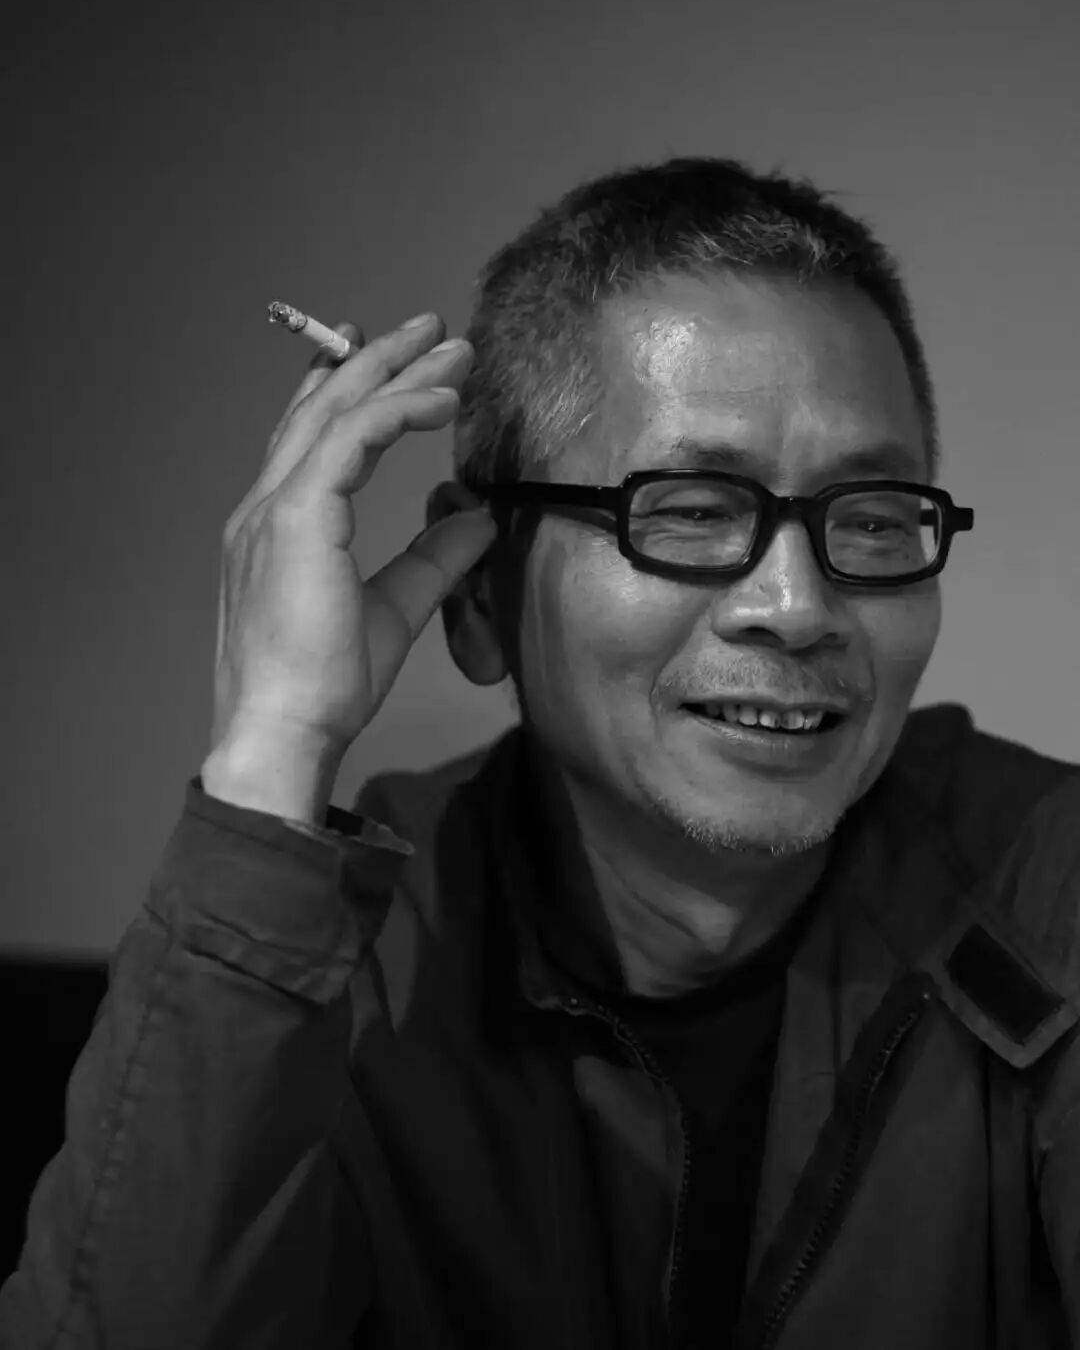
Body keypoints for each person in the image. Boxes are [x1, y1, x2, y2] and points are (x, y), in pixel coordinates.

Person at [2, 157, 1078, 1350]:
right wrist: (274, 747)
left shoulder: (1044, 885)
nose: (796, 605)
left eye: (870, 521)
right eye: (690, 511)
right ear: (482, 590)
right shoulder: (354, 968)